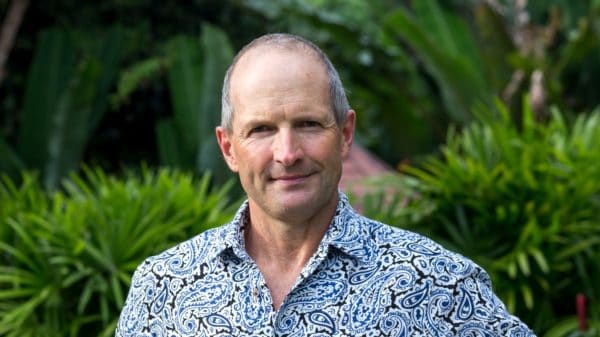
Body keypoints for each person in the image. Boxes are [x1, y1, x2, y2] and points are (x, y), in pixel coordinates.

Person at [116, 33, 537, 337]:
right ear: (229, 148)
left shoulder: (437, 283)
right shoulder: (165, 289)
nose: (287, 152)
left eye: (308, 124)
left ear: (346, 133)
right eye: (261, 129)